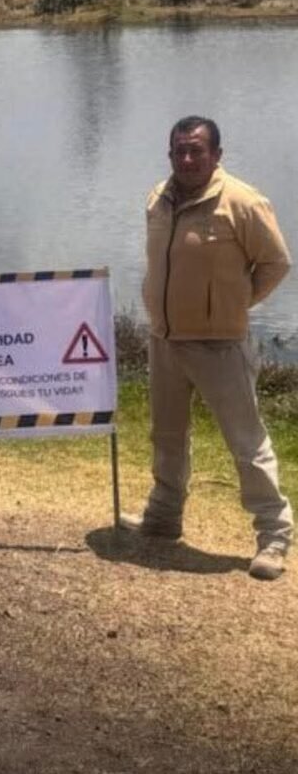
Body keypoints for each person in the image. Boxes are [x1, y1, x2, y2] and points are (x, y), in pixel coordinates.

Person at [133, 115, 293, 580]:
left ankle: (274, 534)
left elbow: (275, 263)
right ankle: (163, 517)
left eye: (196, 150)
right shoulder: (157, 198)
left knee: (246, 442)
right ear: (170, 155)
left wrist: (233, 304)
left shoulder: (242, 201)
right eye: (179, 150)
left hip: (221, 343)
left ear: (216, 155)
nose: (186, 158)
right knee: (166, 435)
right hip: (165, 340)